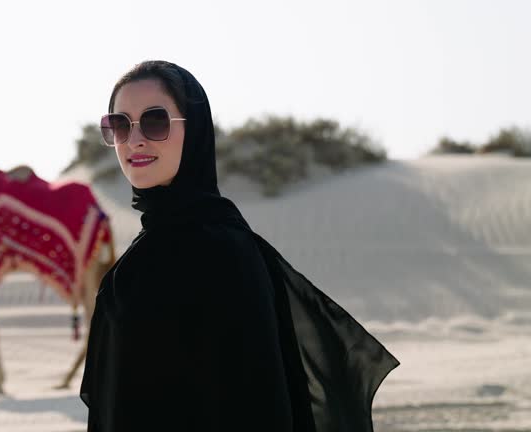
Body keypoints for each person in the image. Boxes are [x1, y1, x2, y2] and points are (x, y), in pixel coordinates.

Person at [80, 60, 398, 432]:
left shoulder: (222, 252)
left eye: (155, 122)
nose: (134, 140)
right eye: (119, 125)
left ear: (194, 129)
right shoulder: (147, 251)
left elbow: (256, 403)